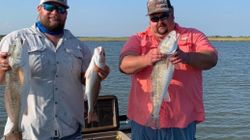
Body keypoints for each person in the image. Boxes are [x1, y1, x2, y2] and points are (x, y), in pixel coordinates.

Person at [0, 0, 109, 139]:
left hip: (70, 131)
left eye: (61, 9)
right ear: (39, 9)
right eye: (49, 7)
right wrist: (2, 68)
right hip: (28, 133)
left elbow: (85, 80)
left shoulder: (79, 46)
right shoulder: (15, 39)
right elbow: (3, 80)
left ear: (66, 14)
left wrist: (99, 74)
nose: (55, 12)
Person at [119, 0, 218, 139]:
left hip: (182, 122)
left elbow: (212, 58)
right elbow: (123, 65)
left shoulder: (194, 35)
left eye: (164, 16)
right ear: (149, 20)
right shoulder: (137, 39)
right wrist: (146, 59)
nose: (160, 21)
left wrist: (186, 57)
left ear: (172, 13)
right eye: (154, 18)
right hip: (143, 121)